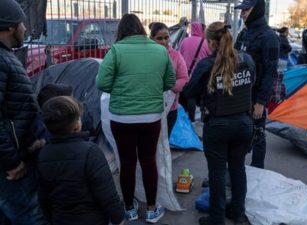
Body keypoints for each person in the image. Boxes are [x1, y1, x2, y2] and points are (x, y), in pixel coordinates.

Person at [96, 14, 175, 223]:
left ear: (120, 31)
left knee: (127, 162)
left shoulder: (115, 51)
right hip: (151, 117)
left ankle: (129, 208)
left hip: (121, 118)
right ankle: (151, 209)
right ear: (141, 29)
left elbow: (102, 83)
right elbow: (169, 82)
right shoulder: (160, 50)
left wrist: (123, 91)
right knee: (149, 161)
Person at [184, 21, 255, 225]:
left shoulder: (207, 64)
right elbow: (252, 83)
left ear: (211, 42)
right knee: (237, 169)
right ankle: (238, 215)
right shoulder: (247, 59)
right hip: (243, 124)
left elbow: (189, 91)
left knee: (217, 173)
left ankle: (216, 219)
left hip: (218, 126)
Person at [37, 96, 125, 225]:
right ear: (77, 125)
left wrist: (50, 218)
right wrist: (118, 218)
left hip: (60, 219)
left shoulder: (43, 154)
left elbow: (43, 195)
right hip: (93, 219)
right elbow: (106, 193)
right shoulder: (91, 151)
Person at [0, 0, 47, 224]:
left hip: (18, 154)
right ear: (10, 27)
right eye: (21, 23)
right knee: (29, 216)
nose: (25, 28)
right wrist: (11, 161)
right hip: (10, 164)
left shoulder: (5, 56)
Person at [234, 0, 279, 169]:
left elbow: (270, 72)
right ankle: (236, 170)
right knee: (237, 135)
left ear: (257, 10)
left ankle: (257, 169)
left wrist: (261, 102)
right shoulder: (244, 33)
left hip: (255, 97)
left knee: (258, 134)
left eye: (246, 10)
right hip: (239, 95)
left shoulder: (269, 37)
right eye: (242, 10)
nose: (242, 13)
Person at [149, 22, 189, 137]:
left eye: (166, 38)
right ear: (152, 38)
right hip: (149, 108)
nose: (164, 41)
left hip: (170, 109)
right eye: (159, 38)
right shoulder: (146, 55)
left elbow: (183, 78)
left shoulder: (176, 56)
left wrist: (168, 86)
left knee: (164, 141)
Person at [179, 22, 211, 122]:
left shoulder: (184, 41)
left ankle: (186, 120)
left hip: (186, 75)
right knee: (200, 99)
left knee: (188, 97)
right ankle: (198, 120)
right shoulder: (205, 42)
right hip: (200, 76)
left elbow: (179, 55)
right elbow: (210, 57)